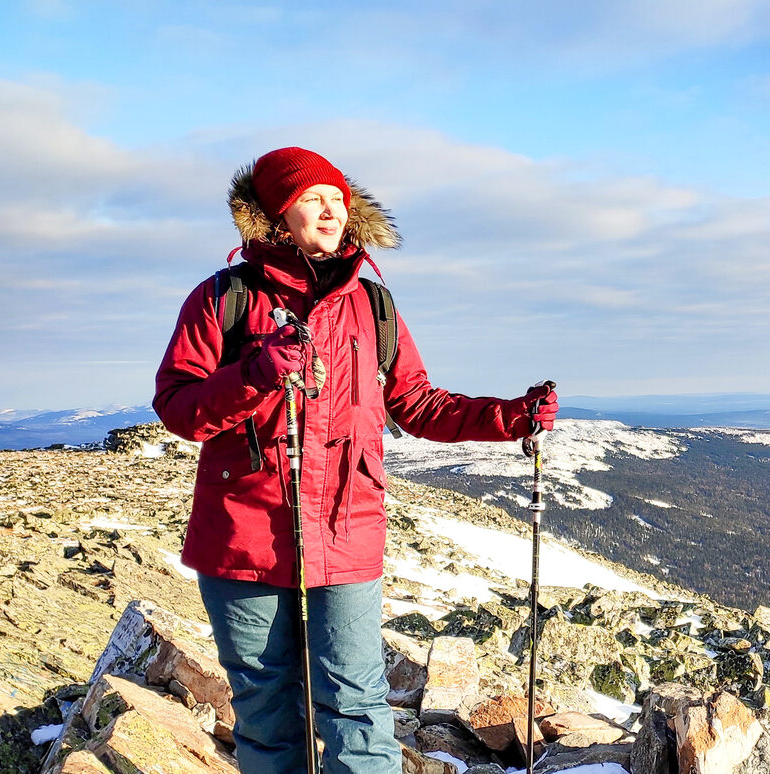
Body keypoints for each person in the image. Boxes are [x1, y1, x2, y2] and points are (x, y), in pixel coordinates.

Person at [153, 147, 557, 773]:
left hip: (346, 528)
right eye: (313, 198)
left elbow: (418, 403)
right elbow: (179, 407)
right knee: (265, 710)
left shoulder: (373, 305)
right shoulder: (223, 298)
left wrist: (509, 417)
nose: (331, 209)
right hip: (241, 536)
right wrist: (256, 374)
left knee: (357, 704)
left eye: (339, 199)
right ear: (275, 215)